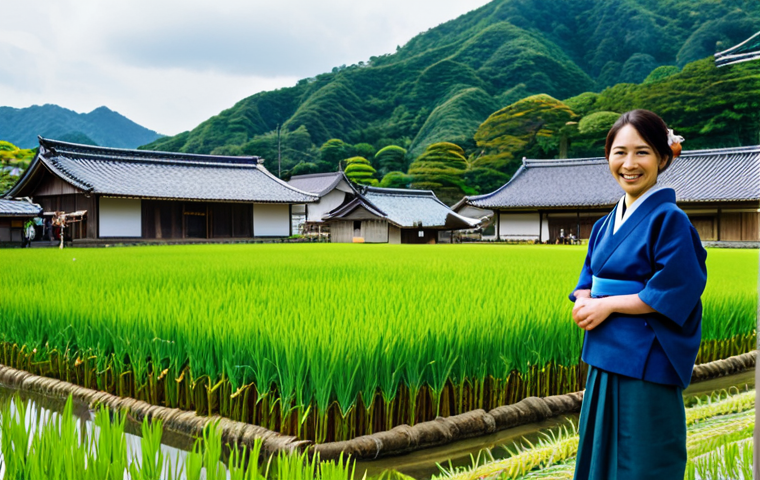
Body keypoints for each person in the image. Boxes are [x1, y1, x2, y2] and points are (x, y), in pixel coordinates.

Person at [568, 110, 707, 480]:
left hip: (646, 359)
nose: (629, 164)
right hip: (604, 354)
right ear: (608, 157)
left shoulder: (670, 219)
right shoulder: (603, 224)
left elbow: (673, 290)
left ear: (664, 158)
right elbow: (589, 279)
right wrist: (585, 300)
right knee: (600, 454)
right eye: (619, 152)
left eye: (642, 152)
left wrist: (607, 304)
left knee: (644, 460)